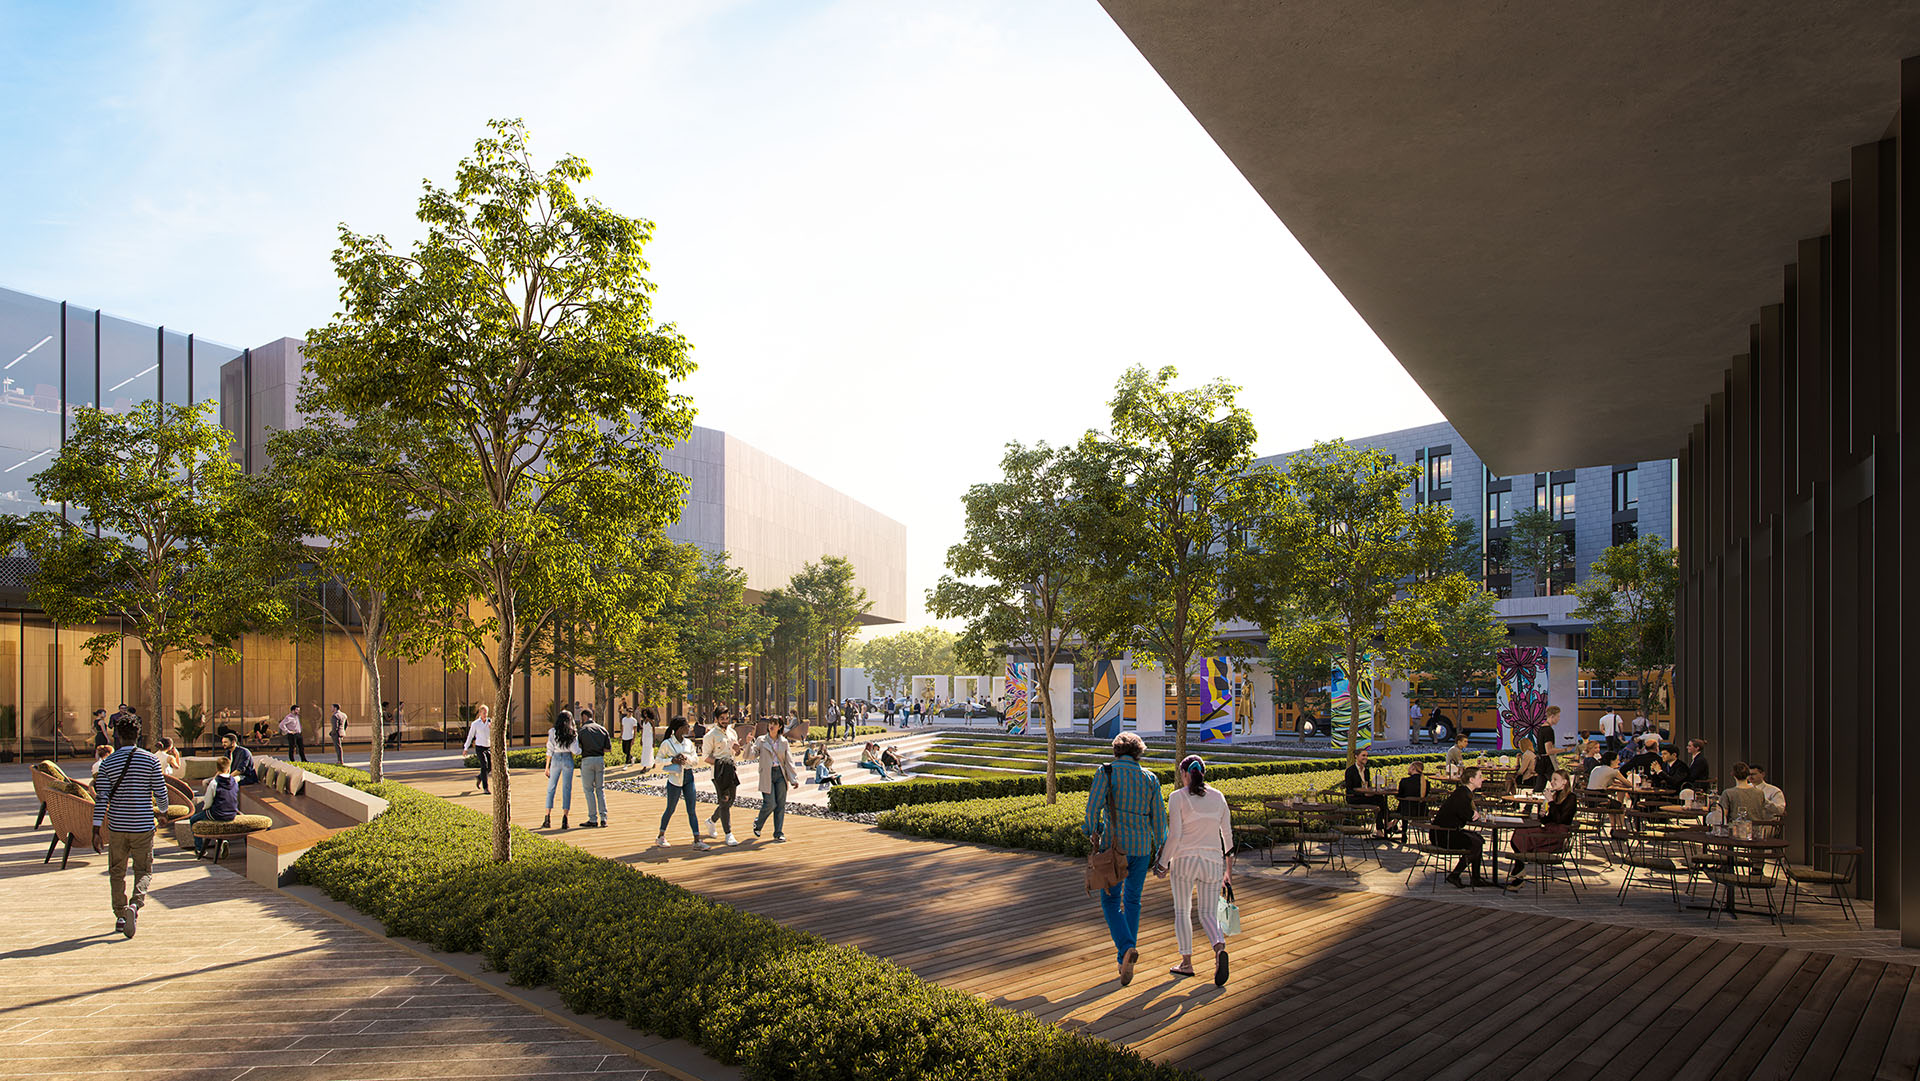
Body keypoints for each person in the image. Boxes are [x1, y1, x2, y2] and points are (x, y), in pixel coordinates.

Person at [1083, 732, 1167, 986]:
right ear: (1138, 753)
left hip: (1114, 849)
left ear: (1116, 751)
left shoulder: (1106, 772)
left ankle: (1126, 947)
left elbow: (1092, 808)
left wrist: (1092, 831)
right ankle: (1123, 961)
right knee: (1133, 900)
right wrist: (1161, 848)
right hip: (1142, 848)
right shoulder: (1150, 778)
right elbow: (1160, 819)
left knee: (1110, 902)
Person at [90, 715, 170, 938]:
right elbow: (161, 793)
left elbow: (102, 798)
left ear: (117, 736)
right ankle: (135, 905)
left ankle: (120, 916)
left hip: (117, 826)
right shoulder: (151, 761)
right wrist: (163, 813)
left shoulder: (107, 764)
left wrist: (96, 829)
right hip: (143, 826)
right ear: (138, 735)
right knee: (143, 870)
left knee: (117, 872)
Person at [1156, 755, 1233, 986]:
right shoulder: (1218, 797)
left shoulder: (1177, 797)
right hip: (1213, 861)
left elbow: (1175, 835)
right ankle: (1219, 948)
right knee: (1208, 913)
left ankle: (1186, 963)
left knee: (1182, 910)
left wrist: (1162, 863)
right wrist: (1228, 870)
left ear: (1184, 774)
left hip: (1185, 861)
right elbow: (1227, 834)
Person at [1506, 769, 1578, 889]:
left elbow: (1562, 819)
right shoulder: (1555, 795)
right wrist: (1543, 814)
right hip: (1549, 829)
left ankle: (1518, 873)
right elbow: (1548, 819)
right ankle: (1519, 869)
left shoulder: (1571, 797)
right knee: (1519, 831)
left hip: (1557, 835)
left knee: (1523, 835)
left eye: (1556, 779)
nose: (1552, 782)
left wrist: (1550, 801)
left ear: (1564, 782)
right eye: (1552, 779)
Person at [1429, 766, 1490, 888]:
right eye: (1480, 777)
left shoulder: (1463, 792)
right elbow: (1468, 815)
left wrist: (1473, 814)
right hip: (1443, 835)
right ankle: (1456, 875)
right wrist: (1474, 814)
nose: (1482, 779)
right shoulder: (1463, 795)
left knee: (1478, 840)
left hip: (1446, 832)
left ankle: (1475, 878)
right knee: (1476, 843)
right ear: (1471, 780)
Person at [653, 717, 707, 848]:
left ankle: (697, 840)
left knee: (692, 810)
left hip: (688, 777)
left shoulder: (688, 743)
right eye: (686, 726)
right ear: (679, 729)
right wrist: (672, 760)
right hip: (675, 779)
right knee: (670, 808)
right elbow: (658, 760)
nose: (689, 728)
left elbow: (695, 761)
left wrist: (686, 758)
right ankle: (661, 836)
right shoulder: (667, 743)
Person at [747, 718, 800, 841]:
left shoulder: (784, 742)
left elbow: (789, 761)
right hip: (767, 774)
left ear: (780, 727)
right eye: (770, 723)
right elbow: (751, 755)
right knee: (770, 803)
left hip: (780, 774)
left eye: (775, 724)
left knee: (780, 805)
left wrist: (793, 779)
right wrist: (748, 744)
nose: (772, 726)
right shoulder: (761, 740)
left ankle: (778, 832)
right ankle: (758, 824)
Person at [702, 706, 743, 846]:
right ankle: (728, 834)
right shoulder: (710, 735)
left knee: (730, 801)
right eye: (722, 719)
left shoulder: (732, 733)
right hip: (719, 773)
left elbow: (736, 753)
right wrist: (720, 763)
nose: (725, 721)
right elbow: (706, 757)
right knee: (724, 801)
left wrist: (737, 751)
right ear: (716, 719)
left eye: (727, 718)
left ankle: (712, 821)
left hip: (731, 771)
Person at [188, 756, 242, 857]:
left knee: (194, 820)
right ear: (229, 768)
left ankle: (200, 849)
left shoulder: (214, 783)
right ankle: (222, 841)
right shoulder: (234, 781)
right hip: (232, 813)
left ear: (217, 769)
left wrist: (204, 810)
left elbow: (207, 802)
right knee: (217, 820)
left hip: (217, 814)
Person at [541, 709, 579, 830]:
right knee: (567, 789)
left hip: (556, 759)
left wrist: (547, 767)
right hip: (568, 758)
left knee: (551, 788)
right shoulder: (572, 732)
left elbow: (549, 750)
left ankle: (547, 818)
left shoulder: (552, 732)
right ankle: (565, 819)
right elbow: (576, 751)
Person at [576, 707, 612, 828]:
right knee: (600, 789)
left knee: (589, 790)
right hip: (599, 760)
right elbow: (608, 749)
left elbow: (577, 749)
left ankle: (592, 818)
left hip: (587, 760)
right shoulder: (602, 729)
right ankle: (604, 818)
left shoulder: (582, 731)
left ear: (584, 717)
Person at [1343, 749, 1389, 833]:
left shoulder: (1366, 771)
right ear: (1356, 756)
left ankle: (1383, 827)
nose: (1366, 758)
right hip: (1354, 798)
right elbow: (1349, 789)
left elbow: (1368, 786)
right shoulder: (1350, 771)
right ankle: (1386, 825)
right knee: (1379, 800)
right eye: (1363, 755)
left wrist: (1371, 792)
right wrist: (1363, 794)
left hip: (1365, 796)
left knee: (1380, 798)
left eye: (1367, 756)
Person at [1395, 760, 1431, 842]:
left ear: (1413, 768)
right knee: (1405, 803)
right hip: (1422, 811)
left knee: (1403, 802)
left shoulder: (1404, 781)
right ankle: (1394, 824)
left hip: (1407, 812)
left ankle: (1394, 826)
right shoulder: (1426, 783)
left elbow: (1400, 796)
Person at [463, 704, 494, 794]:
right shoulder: (475, 724)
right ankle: (485, 788)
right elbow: (470, 736)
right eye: (483, 713)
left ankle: (480, 777)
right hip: (480, 747)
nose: (485, 714)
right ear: (480, 713)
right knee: (484, 765)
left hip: (488, 747)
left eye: (486, 713)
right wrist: (466, 748)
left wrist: (492, 728)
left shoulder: (490, 722)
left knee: (490, 767)